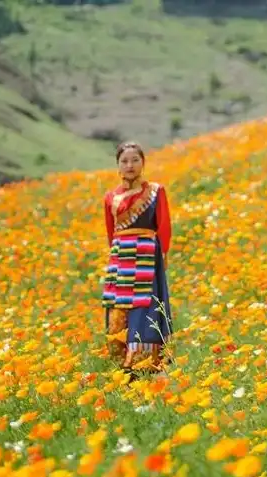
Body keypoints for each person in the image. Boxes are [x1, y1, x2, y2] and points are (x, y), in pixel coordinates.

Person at [102, 142, 173, 374]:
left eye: (135, 160)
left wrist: (162, 255)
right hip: (121, 257)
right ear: (118, 166)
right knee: (119, 307)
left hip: (146, 255)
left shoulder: (155, 191)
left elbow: (163, 226)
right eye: (124, 161)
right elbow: (110, 232)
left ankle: (145, 361)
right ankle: (121, 358)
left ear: (143, 163)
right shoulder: (110, 197)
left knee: (146, 305)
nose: (130, 165)